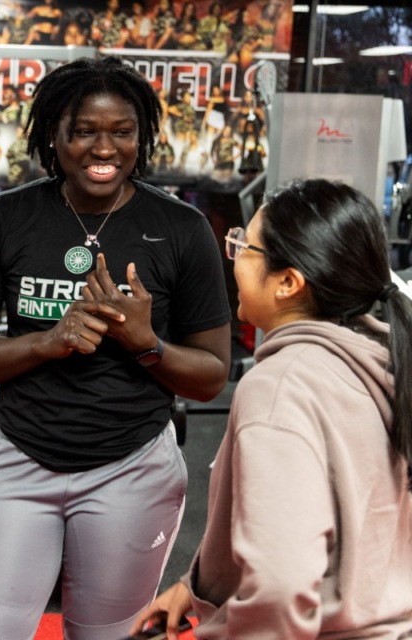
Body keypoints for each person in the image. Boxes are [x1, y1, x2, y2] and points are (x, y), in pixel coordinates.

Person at [0, 56, 232, 640]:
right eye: (84, 132)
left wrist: (144, 342)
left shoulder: (181, 228)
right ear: (54, 134)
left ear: (141, 136)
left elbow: (210, 377)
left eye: (122, 132)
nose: (105, 149)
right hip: (18, 459)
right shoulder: (7, 217)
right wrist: (48, 342)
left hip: (132, 469)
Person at [130, 178, 412, 639]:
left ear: (287, 283)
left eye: (245, 247)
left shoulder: (281, 387)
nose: (235, 256)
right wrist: (196, 584)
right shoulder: (385, 360)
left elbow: (280, 590)